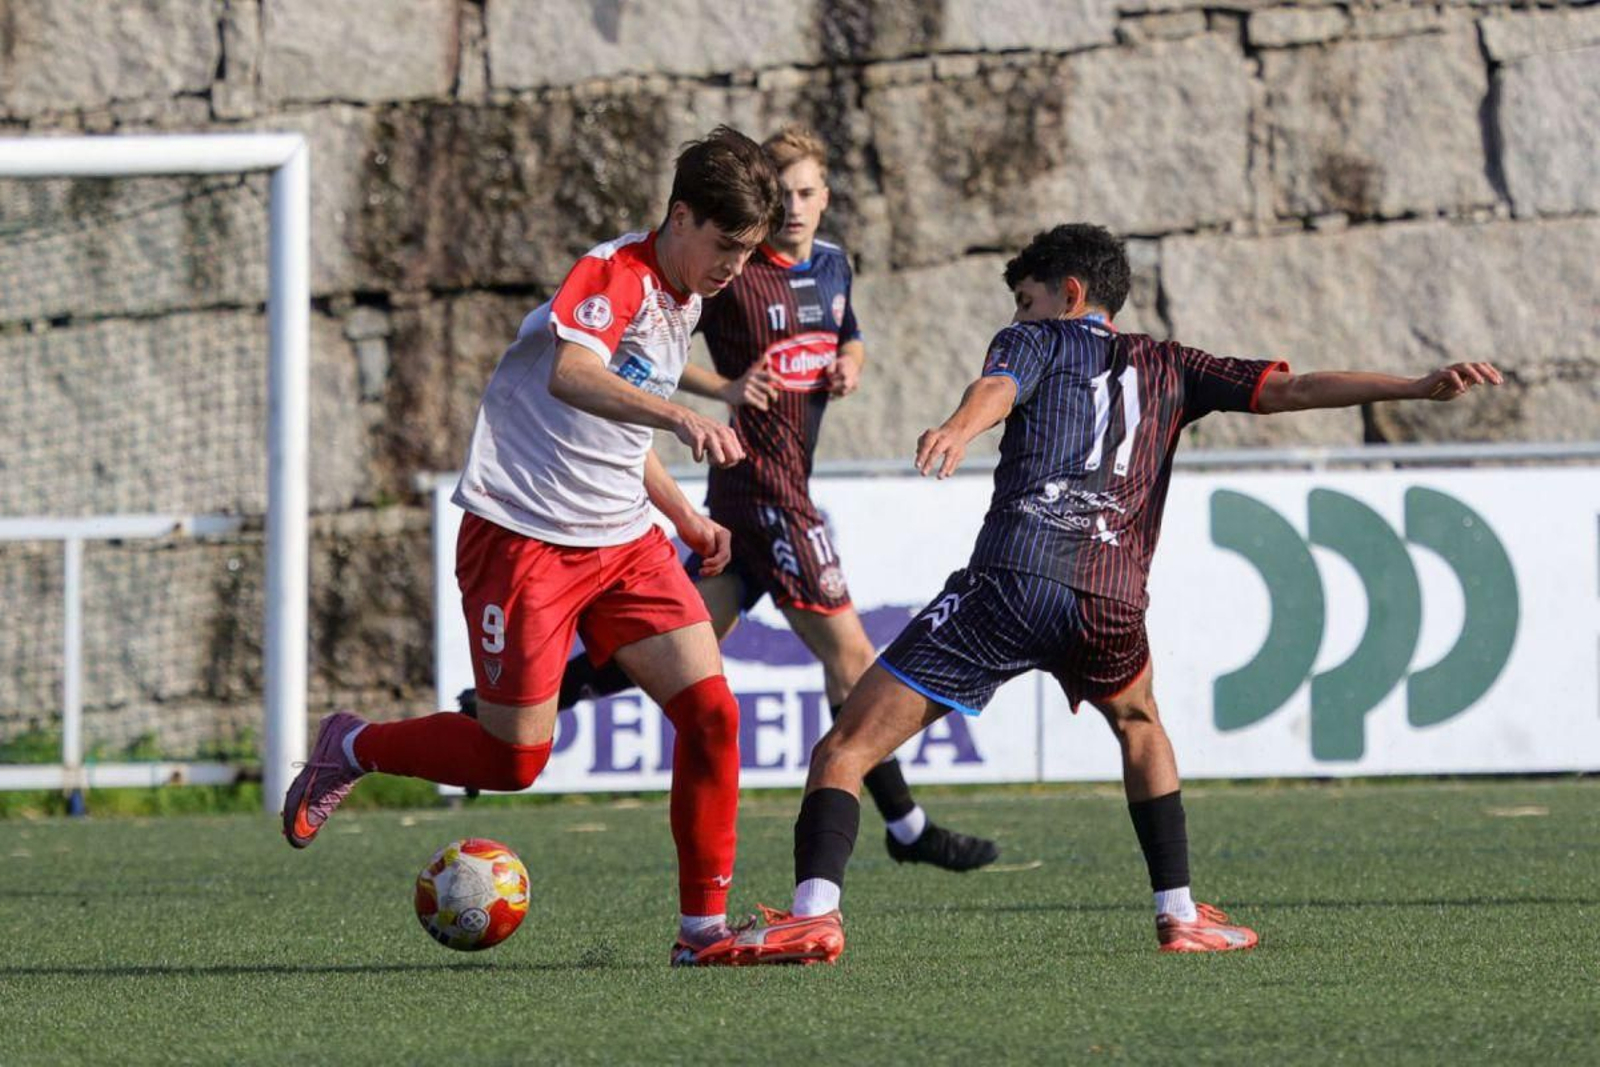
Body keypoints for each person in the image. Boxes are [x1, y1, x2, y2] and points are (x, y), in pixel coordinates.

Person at [692, 222, 1504, 964]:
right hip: (1108, 602)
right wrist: (1415, 386)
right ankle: (1180, 912)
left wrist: (955, 428)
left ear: (1068, 294)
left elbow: (998, 388)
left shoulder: (1033, 338)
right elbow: (1292, 389)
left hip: (1010, 583)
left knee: (845, 748)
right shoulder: (1177, 364)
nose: (1021, 310)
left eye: (1028, 295)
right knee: (1140, 721)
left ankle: (815, 912)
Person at [280, 126, 786, 967]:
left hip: (624, 539)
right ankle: (353, 745)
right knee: (515, 758)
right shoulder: (613, 273)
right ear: (681, 215)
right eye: (726, 243)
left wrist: (685, 516)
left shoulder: (687, 296)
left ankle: (702, 931)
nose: (736, 265)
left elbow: (612, 431)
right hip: (523, 537)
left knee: (712, 713)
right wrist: (685, 414)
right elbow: (573, 376)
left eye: (749, 250)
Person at [552, 125, 999, 873]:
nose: (792, 207)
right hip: (767, 487)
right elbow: (652, 347)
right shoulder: (732, 266)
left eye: (805, 192)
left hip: (768, 487)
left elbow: (848, 333)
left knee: (667, 654)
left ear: (825, 198)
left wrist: (850, 361)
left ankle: (510, 708)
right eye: (781, 193)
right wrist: (723, 387)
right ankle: (907, 824)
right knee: (853, 656)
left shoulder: (832, 265)